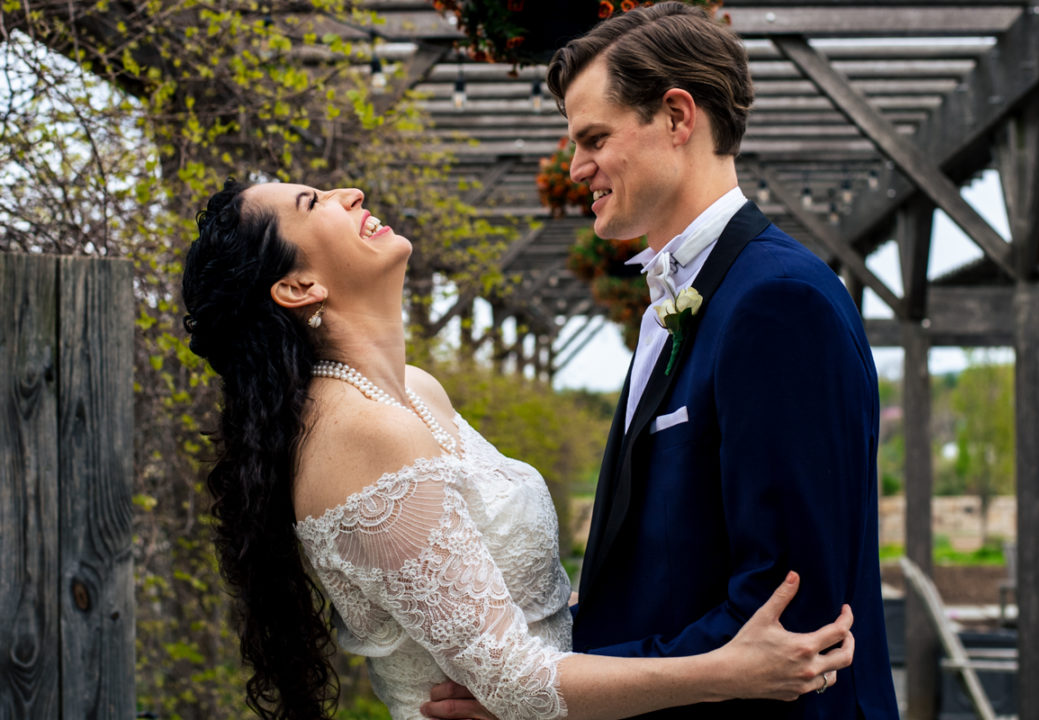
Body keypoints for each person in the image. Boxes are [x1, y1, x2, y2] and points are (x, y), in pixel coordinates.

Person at [181, 177, 856, 720]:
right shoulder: (361, 431)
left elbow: (515, 640)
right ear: (299, 288)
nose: (349, 193)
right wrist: (729, 671)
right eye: (312, 204)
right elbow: (516, 685)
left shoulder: (417, 392)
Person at [427, 3, 898, 719]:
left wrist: (546, 692)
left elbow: (788, 616)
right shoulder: (679, 299)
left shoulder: (779, 304)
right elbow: (672, 569)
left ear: (678, 117)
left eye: (593, 138)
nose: (575, 166)